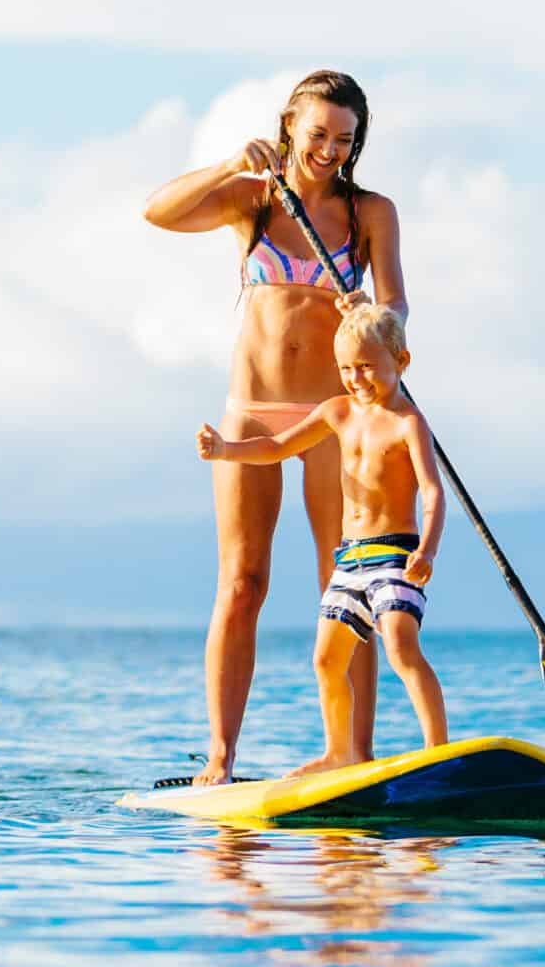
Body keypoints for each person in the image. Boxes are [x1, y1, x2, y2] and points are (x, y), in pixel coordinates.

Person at [143, 70, 409, 784]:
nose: (329, 149)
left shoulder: (371, 213)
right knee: (242, 582)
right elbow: (157, 213)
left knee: (345, 583)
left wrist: (372, 319)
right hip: (251, 410)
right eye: (318, 133)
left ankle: (353, 753)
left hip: (336, 418)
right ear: (290, 127)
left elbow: (398, 310)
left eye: (344, 139)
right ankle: (221, 760)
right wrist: (232, 162)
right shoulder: (254, 201)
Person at [197, 303, 446, 776]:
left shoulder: (408, 423)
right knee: (326, 660)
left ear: (402, 362)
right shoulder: (337, 412)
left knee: (399, 643)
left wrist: (427, 548)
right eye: (347, 368)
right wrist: (227, 449)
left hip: (396, 555)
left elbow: (433, 492)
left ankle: (437, 751)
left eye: (368, 366)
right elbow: (276, 447)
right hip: (349, 562)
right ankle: (340, 751)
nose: (356, 378)